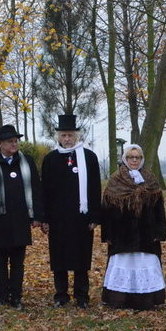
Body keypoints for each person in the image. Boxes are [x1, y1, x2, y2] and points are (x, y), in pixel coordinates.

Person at [0, 125, 44, 309]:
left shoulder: (27, 161)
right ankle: (2, 296)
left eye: (16, 141)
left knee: (17, 262)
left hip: (21, 219)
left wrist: (37, 215)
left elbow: (36, 189)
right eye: (9, 141)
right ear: (0, 144)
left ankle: (16, 296)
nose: (14, 144)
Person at [41, 114, 101, 309]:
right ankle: (61, 294)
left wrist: (94, 216)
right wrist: (45, 218)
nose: (67, 139)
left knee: (81, 257)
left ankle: (82, 296)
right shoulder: (50, 159)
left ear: (76, 136)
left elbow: (94, 188)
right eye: (63, 135)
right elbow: (45, 190)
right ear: (58, 136)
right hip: (58, 218)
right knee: (59, 257)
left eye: (70, 135)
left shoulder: (89, 158)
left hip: (81, 217)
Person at [101, 144, 166, 310]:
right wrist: (107, 234)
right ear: (125, 159)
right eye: (131, 157)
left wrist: (159, 231)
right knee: (124, 263)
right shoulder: (116, 180)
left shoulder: (150, 179)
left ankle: (145, 300)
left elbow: (159, 209)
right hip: (121, 234)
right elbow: (106, 210)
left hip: (146, 233)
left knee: (144, 263)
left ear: (142, 159)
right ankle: (119, 299)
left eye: (137, 157)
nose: (134, 160)